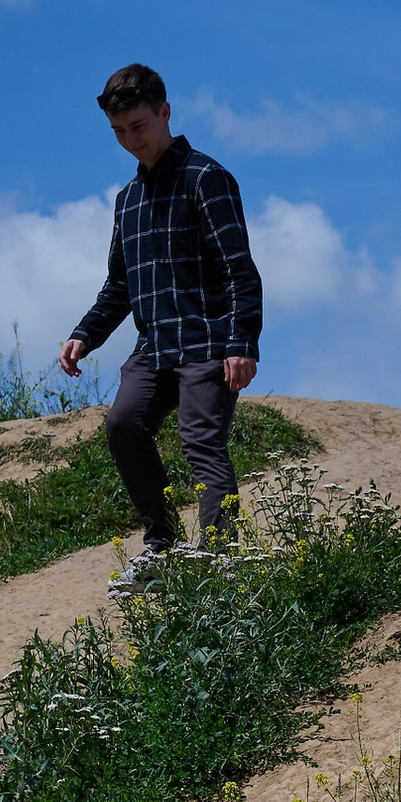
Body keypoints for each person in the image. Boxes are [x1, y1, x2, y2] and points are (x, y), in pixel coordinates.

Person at [58, 63, 264, 579]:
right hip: (153, 347)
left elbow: (239, 269)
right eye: (118, 132)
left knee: (201, 442)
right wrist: (85, 334)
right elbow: (120, 285)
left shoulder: (206, 178)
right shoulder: (127, 201)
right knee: (123, 425)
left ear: (165, 112)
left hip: (208, 342)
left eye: (139, 127)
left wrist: (242, 341)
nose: (131, 141)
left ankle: (219, 558)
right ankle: (162, 548)